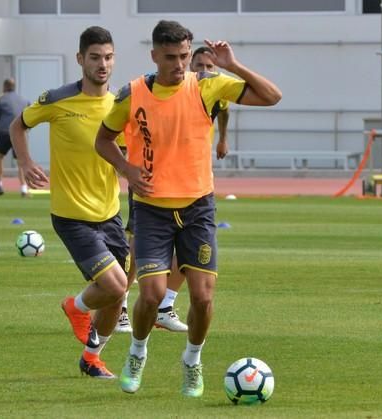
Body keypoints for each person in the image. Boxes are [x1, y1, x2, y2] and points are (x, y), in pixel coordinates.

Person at [95, 20, 281, 397]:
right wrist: (126, 168)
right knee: (149, 295)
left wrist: (234, 65)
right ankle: (137, 352)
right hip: (151, 209)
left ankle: (192, 361)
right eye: (170, 58)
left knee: (203, 297)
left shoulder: (208, 85)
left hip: (198, 207)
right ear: (154, 56)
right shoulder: (132, 93)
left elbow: (272, 96)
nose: (179, 65)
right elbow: (103, 140)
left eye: (184, 56)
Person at [9, 26, 129, 379]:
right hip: (72, 215)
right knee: (115, 285)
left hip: (110, 211)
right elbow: (18, 125)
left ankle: (91, 358)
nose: (102, 64)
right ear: (81, 60)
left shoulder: (121, 103)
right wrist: (25, 162)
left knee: (116, 296)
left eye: (108, 57)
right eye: (95, 57)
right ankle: (74, 307)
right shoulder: (57, 99)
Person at [114, 45, 234, 335]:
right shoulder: (152, 93)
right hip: (152, 186)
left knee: (187, 251)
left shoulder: (213, 91)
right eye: (199, 65)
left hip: (190, 189)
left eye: (209, 65)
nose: (204, 70)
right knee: (136, 245)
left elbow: (225, 113)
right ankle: (120, 303)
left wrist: (222, 140)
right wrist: (129, 167)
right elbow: (116, 135)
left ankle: (165, 305)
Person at [0, 78, 30, 197]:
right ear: (14, 87)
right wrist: (26, 131)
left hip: (5, 133)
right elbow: (30, 117)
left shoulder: (0, 100)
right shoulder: (24, 100)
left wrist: (0, 130)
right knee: (21, 161)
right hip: (21, 133)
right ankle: (23, 189)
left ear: (4, 87)